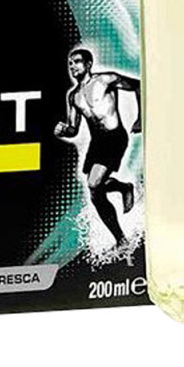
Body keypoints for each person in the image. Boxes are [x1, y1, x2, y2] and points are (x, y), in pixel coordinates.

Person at [54, 49, 141, 247]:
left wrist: (140, 119)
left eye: (77, 62)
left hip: (115, 137)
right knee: (95, 192)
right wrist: (63, 131)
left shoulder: (105, 80)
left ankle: (121, 240)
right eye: (70, 63)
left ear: (88, 64)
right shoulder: (73, 96)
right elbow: (73, 129)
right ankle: (123, 189)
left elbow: (138, 86)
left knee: (94, 184)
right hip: (97, 142)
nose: (73, 66)